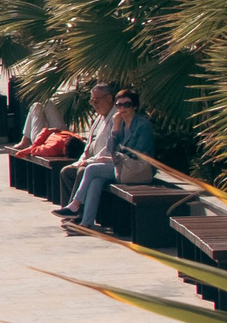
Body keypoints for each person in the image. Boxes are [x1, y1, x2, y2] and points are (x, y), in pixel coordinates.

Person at [62, 85, 157, 230]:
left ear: (134, 106)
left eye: (127, 104)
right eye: (119, 105)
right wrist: (115, 129)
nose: (122, 108)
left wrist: (111, 159)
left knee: (92, 169)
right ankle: (86, 223)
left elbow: (139, 153)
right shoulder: (120, 123)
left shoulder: (142, 125)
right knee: (96, 181)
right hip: (121, 168)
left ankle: (75, 204)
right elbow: (111, 149)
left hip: (138, 169)